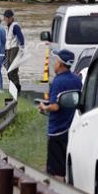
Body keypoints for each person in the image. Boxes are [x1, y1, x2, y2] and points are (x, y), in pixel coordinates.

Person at [38, 49, 83, 181]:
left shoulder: (58, 82)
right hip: (73, 128)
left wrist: (44, 107)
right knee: (66, 164)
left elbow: (55, 106)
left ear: (61, 64)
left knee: (56, 170)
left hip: (57, 131)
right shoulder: (77, 80)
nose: (54, 63)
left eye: (56, 60)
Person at [4, 9, 25, 94]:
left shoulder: (15, 26)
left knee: (13, 69)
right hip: (9, 49)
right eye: (6, 17)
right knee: (9, 70)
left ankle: (16, 87)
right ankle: (13, 86)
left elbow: (21, 38)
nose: (7, 19)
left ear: (12, 17)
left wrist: (22, 49)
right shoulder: (8, 26)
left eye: (9, 17)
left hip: (15, 49)